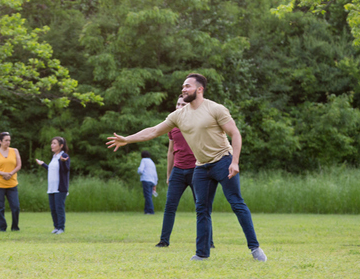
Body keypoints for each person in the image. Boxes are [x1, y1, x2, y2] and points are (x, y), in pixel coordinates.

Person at [107, 73, 267, 262]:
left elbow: (235, 134)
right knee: (202, 209)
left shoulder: (215, 109)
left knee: (236, 203)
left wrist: (235, 162)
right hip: (201, 167)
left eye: (188, 86)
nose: (183, 89)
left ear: (200, 89)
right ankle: (202, 254)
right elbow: (154, 130)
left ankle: (255, 249)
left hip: (223, 160)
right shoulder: (178, 115)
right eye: (183, 86)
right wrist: (127, 139)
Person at [156, 96, 215, 248]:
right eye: (178, 103)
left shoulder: (199, 123)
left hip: (197, 169)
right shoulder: (172, 126)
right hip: (178, 171)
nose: (180, 106)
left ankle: (209, 242)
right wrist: (169, 174)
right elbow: (170, 152)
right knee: (170, 206)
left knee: (202, 207)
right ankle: (164, 241)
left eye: (183, 103)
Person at [35, 137, 70, 234]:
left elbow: (66, 170)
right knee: (53, 208)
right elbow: (52, 169)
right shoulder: (54, 157)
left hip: (60, 188)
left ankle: (61, 228)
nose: (52, 145)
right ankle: (56, 227)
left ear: (61, 145)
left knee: (59, 208)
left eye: (54, 143)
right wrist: (43, 164)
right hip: (51, 188)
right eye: (52, 143)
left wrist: (63, 162)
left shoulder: (64, 156)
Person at [0, 132, 22, 232]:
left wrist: (10, 173)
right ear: (0, 141)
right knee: (0, 207)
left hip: (12, 184)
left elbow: (19, 165)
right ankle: (2, 228)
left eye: (9, 140)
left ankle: (15, 227)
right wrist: (3, 174)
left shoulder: (14, 151)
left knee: (15, 206)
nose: (8, 142)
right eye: (6, 140)